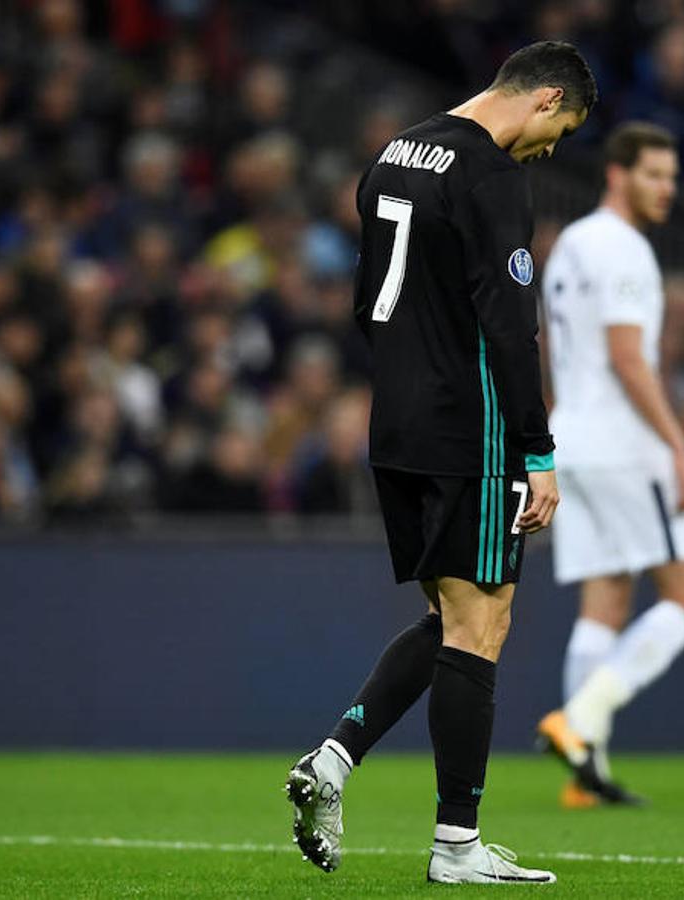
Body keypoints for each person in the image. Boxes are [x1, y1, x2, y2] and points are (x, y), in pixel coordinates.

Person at [284, 41, 595, 885]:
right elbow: (508, 326)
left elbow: (364, 299)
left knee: (453, 622)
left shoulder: (394, 152)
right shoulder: (492, 177)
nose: (550, 150)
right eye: (559, 130)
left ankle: (335, 761)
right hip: (474, 427)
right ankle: (456, 846)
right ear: (541, 99)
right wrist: (537, 450)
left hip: (398, 422)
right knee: (482, 626)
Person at [536, 122, 684, 807]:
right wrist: (675, 443)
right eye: (653, 175)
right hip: (623, 444)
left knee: (604, 600)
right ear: (616, 174)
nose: (666, 189)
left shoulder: (570, 246)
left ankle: (588, 774)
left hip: (571, 439)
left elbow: (554, 348)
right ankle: (579, 723)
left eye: (671, 177)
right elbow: (626, 357)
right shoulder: (625, 250)